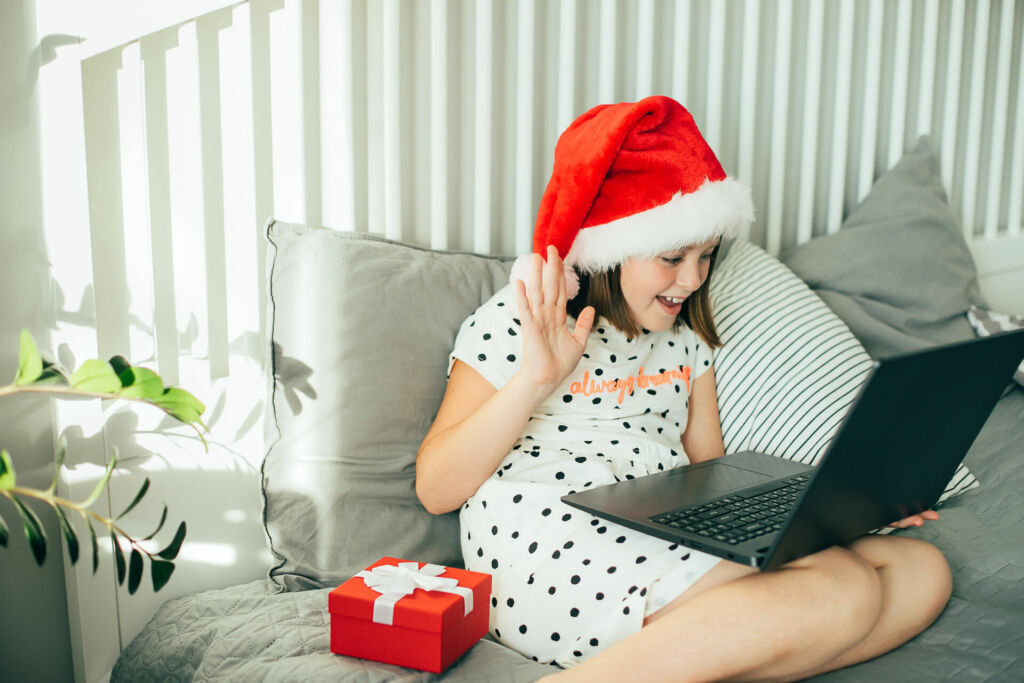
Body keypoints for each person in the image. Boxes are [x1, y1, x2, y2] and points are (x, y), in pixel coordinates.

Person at [416, 96, 951, 681]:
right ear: (609, 251)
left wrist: (848, 507)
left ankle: (686, 662)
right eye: (672, 257)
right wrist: (536, 379)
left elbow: (711, 475)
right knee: (844, 587)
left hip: (659, 526)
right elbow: (437, 489)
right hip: (551, 543)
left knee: (923, 571)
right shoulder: (521, 318)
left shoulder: (685, 338)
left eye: (706, 257)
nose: (692, 279)